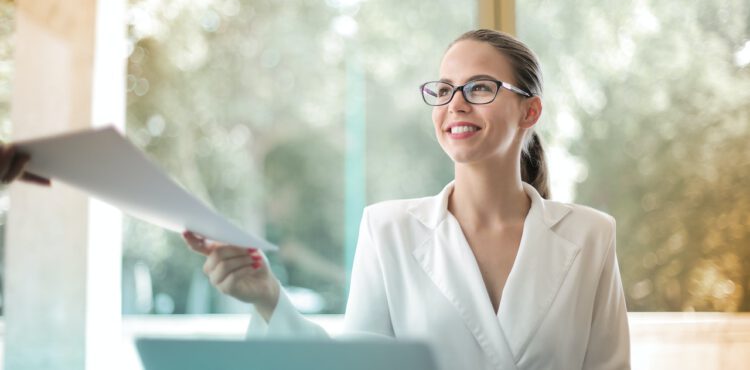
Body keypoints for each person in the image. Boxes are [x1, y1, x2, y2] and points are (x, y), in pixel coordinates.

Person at [2, 29, 630, 369]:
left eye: (480, 87)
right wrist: (267, 298)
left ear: (530, 110)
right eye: (442, 89)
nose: (455, 103)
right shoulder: (388, 229)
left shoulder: (589, 235)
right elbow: (351, 368)